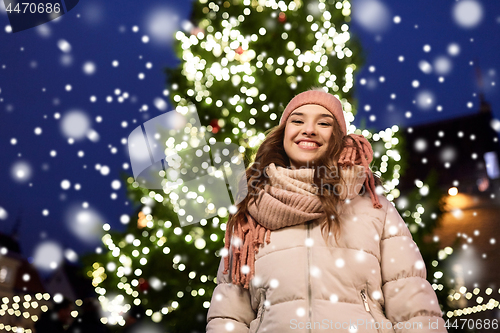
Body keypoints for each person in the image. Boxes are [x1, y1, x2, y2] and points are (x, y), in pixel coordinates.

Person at [206, 89, 447, 332]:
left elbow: (412, 303)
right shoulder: (251, 211)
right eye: (297, 120)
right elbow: (229, 316)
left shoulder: (374, 206)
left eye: (323, 123)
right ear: (283, 135)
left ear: (338, 138)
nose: (308, 129)